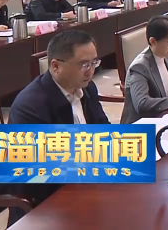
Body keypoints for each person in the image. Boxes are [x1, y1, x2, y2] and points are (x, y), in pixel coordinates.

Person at [7, 30, 110, 225]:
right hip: (45, 207)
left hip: (87, 189)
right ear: (55, 66)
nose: (90, 71)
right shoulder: (31, 106)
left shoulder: (87, 88)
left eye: (94, 62)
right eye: (84, 64)